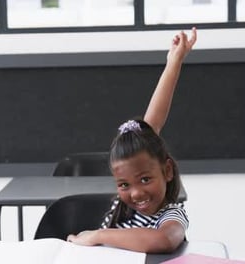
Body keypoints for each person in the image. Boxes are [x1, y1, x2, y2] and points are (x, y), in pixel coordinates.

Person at [67, 27, 197, 253]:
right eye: (124, 185)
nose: (136, 193)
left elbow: (163, 241)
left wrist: (99, 235)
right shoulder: (124, 209)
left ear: (167, 171)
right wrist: (172, 61)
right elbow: (152, 125)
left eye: (145, 179)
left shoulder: (172, 216)